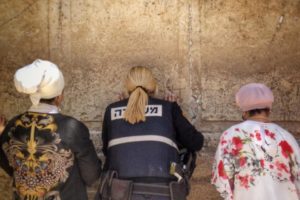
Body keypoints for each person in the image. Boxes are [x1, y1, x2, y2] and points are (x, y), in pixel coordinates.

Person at [0, 59, 102, 200]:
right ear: (59, 96)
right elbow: (92, 175)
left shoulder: (12, 125)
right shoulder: (73, 129)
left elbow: (9, 166)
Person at [98, 66, 204, 200]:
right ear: (154, 87)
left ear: (127, 88)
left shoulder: (111, 110)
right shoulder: (168, 108)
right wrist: (176, 111)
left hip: (121, 192)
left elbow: (109, 151)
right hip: (164, 192)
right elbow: (196, 142)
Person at [211, 83, 300, 200]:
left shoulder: (230, 135)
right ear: (269, 109)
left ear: (244, 110)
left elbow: (222, 178)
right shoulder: (286, 136)